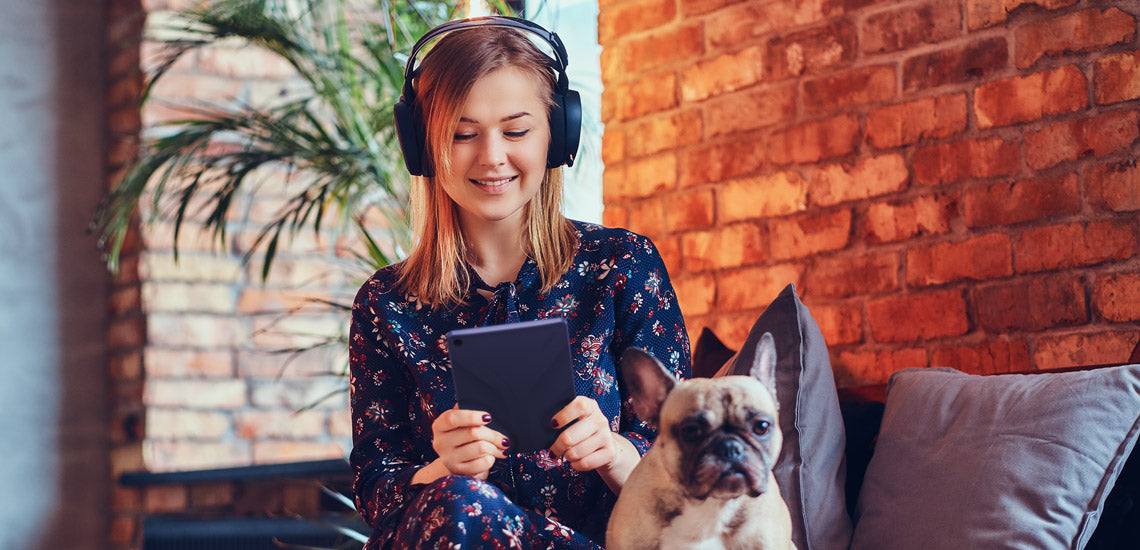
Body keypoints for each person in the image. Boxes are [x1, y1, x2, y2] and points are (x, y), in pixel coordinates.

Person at [349, 17, 689, 549]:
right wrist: (440, 470)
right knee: (459, 504)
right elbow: (375, 492)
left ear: (557, 134)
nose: (491, 156)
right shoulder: (385, 305)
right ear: (423, 147)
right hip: (446, 532)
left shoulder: (623, 266)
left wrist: (615, 452)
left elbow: (689, 476)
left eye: (516, 131)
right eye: (463, 134)